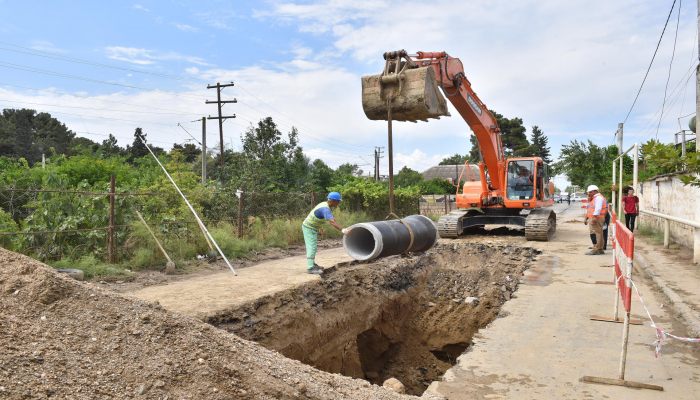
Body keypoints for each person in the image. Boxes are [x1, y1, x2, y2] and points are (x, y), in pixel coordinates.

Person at [302, 192, 350, 274]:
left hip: (312, 227)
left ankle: (312, 264)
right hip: (309, 228)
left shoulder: (324, 204)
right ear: (334, 201)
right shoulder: (325, 209)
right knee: (312, 247)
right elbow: (332, 222)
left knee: (313, 247)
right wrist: (343, 230)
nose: (339, 202)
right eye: (338, 201)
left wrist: (320, 227)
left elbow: (318, 216)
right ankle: (310, 268)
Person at [583, 185, 608, 255]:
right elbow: (590, 209)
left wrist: (594, 217)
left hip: (596, 218)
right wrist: (587, 218)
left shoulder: (598, 198)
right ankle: (600, 249)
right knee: (599, 233)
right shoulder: (595, 198)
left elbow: (598, 208)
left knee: (595, 234)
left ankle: (596, 249)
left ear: (595, 191)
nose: (589, 194)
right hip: (596, 217)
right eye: (588, 192)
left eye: (590, 192)